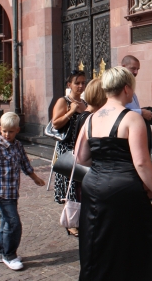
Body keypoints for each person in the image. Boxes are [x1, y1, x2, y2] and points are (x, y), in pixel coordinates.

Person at [75, 67, 152, 281]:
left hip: (93, 186)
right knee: (134, 242)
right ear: (126, 89)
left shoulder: (90, 119)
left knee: (98, 241)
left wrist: (102, 161)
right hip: (124, 188)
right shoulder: (132, 119)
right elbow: (142, 162)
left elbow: (81, 157)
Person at [0, 112, 45, 271]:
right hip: (1, 193)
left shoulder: (18, 145)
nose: (7, 134)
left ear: (17, 130)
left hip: (13, 192)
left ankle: (0, 252)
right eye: (4, 131)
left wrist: (35, 178)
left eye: (11, 131)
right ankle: (9, 255)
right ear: (0, 129)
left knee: (6, 222)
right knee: (14, 223)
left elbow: (25, 164)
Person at [51, 70, 89, 236]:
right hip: (67, 148)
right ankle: (71, 222)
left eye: (83, 83)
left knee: (80, 185)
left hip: (81, 148)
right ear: (69, 85)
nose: (80, 86)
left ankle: (79, 218)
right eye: (77, 83)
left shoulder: (85, 103)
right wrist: (71, 111)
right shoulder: (63, 101)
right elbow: (55, 123)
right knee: (69, 185)